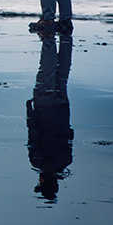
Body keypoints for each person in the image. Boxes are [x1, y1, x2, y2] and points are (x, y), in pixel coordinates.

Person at [26, 32, 74, 201]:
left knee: (63, 73)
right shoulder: (37, 161)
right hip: (45, 106)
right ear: (43, 181)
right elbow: (33, 133)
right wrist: (29, 111)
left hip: (62, 109)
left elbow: (70, 135)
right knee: (46, 68)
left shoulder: (65, 162)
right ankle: (49, 36)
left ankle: (66, 37)